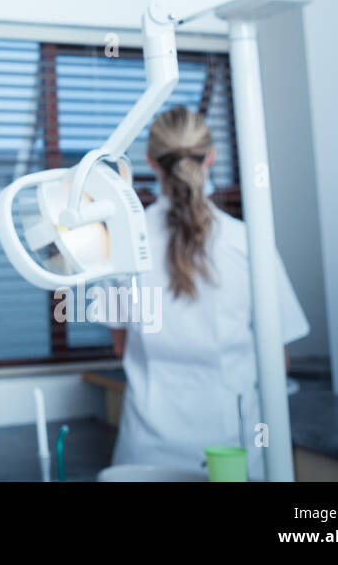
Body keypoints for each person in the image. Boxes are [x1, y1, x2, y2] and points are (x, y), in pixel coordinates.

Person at [106, 105, 309, 481]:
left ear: (152, 161)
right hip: (230, 453)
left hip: (145, 453)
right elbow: (276, 359)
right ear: (210, 158)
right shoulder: (248, 242)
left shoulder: (119, 245)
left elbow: (120, 347)